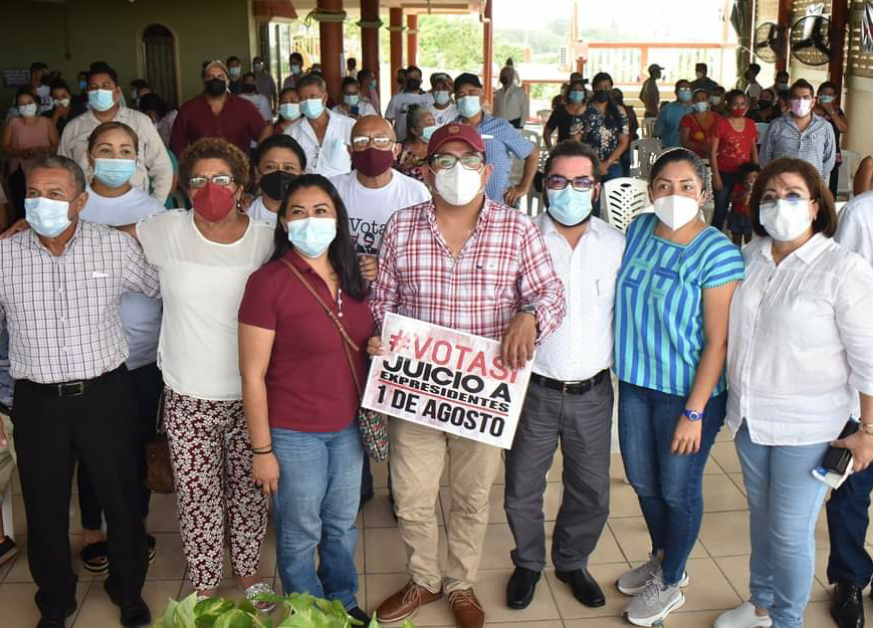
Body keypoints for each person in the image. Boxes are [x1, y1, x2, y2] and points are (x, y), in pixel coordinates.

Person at [370, 123, 565, 628]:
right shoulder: (402, 226)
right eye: (444, 161)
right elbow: (381, 302)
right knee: (411, 497)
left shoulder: (516, 228)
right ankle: (424, 580)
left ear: (489, 169)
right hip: (416, 389)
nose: (457, 172)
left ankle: (459, 583)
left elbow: (552, 295)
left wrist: (530, 315)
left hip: (483, 392)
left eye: (469, 161)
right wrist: (380, 338)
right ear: (426, 170)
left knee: (472, 497)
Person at [714, 157, 873, 628]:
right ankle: (760, 604)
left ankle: (787, 621)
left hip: (809, 428)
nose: (779, 204)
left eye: (792, 195)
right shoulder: (750, 258)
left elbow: (869, 358)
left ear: (816, 205)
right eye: (768, 196)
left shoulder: (843, 270)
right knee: (762, 522)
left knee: (788, 532)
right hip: (750, 420)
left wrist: (869, 429)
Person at [2, 155, 158, 628]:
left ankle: (127, 589)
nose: (42, 203)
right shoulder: (5, 255)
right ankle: (54, 599)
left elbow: (164, 288)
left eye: (55, 194)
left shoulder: (113, 248)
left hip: (105, 394)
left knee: (122, 496)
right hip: (36, 401)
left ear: (81, 200)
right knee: (45, 505)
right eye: (33, 194)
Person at [132, 137, 276, 605]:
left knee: (250, 492)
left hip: (250, 393)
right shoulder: (165, 230)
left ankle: (249, 572)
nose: (209, 188)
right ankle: (206, 579)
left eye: (220, 179)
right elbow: (103, 238)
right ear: (184, 187)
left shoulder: (266, 239)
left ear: (241, 186)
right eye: (197, 180)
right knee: (197, 497)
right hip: (187, 392)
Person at [614, 149, 744, 626]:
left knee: (677, 489)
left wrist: (693, 412)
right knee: (643, 482)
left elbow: (718, 342)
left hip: (688, 395)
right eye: (664, 185)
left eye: (687, 186)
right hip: (634, 383)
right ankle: (664, 555)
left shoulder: (717, 252)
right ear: (650, 192)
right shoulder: (638, 232)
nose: (674, 195)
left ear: (704, 194)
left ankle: (670, 581)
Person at [239, 173, 372, 625]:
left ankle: (342, 597)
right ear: (282, 222)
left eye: (321, 211)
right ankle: (308, 610)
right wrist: (263, 451)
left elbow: (366, 341)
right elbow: (252, 374)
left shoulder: (356, 277)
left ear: (338, 219)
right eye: (298, 212)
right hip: (294, 432)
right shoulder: (267, 282)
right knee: (299, 533)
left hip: (348, 427)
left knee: (340, 525)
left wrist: (378, 347)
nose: (310, 221)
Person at [504, 140, 625, 612]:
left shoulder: (616, 246)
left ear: (595, 189)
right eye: (558, 181)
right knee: (522, 487)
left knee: (592, 489)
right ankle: (528, 563)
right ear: (543, 186)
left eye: (580, 182)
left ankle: (572, 561)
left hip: (593, 393)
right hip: (532, 388)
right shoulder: (520, 239)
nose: (569, 191)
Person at [74, 122, 165, 576]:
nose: (115, 157)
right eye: (105, 149)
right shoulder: (70, 206)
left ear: (138, 158)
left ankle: (135, 524)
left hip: (141, 355)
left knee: (135, 447)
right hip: (83, 355)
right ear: (89, 156)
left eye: (125, 150)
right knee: (91, 448)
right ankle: (94, 530)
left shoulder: (154, 209)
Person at [59, 65, 173, 204]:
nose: (99, 91)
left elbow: (162, 167)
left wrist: (154, 205)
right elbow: (62, 172)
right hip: (89, 208)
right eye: (94, 87)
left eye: (105, 86)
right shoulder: (73, 127)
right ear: (87, 92)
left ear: (117, 92)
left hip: (135, 206)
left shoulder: (140, 121)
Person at [329, 115, 429, 256]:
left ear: (396, 150)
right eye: (361, 141)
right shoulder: (332, 189)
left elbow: (423, 246)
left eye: (381, 141)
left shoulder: (416, 193)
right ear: (350, 151)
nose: (371, 147)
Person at [453, 72, 538, 206]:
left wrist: (523, 186)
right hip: (460, 207)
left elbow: (532, 154)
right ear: (455, 100)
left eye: (472, 92)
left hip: (497, 206)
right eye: (461, 94)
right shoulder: (451, 131)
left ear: (482, 96)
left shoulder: (500, 126)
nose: (467, 98)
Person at [169, 60, 267, 158]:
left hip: (238, 170)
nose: (215, 80)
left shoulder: (245, 107)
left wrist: (259, 159)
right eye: (210, 76)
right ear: (204, 81)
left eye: (220, 76)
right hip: (201, 170)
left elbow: (264, 132)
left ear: (228, 81)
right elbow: (177, 145)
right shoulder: (189, 109)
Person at [760, 79, 836, 182]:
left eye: (805, 97)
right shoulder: (776, 126)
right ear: (790, 102)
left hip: (812, 185)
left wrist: (816, 179)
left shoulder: (825, 127)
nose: (801, 101)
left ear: (813, 102)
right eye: (796, 98)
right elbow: (765, 157)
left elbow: (829, 159)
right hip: (781, 184)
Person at [2, 88, 59, 218]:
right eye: (22, 104)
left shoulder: (47, 122)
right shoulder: (13, 123)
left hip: (46, 170)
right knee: (22, 206)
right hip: (19, 171)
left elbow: (56, 146)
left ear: (36, 104)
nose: (26, 106)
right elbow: (4, 147)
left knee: (44, 205)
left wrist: (41, 150)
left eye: (29, 102)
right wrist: (21, 153)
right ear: (17, 107)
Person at [287, 73, 355, 177]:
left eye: (313, 96)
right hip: (307, 189)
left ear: (324, 97)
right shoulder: (291, 133)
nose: (308, 102)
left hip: (341, 190)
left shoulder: (348, 126)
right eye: (303, 98)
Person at [711, 90, 759, 232]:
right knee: (721, 210)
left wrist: (755, 173)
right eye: (735, 104)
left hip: (745, 175)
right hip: (724, 173)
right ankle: (713, 240)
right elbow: (712, 152)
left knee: (745, 208)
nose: (739, 108)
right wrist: (716, 177)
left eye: (743, 104)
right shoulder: (721, 124)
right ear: (728, 105)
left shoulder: (750, 124)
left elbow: (753, 149)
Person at [579, 73, 629, 188]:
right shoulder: (583, 110)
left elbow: (624, 141)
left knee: (614, 202)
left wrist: (607, 163)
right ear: (594, 88)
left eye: (606, 87)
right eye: (599, 87)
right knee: (591, 202)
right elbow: (576, 141)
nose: (603, 90)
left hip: (613, 163)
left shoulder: (619, 111)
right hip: (588, 163)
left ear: (611, 88)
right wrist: (595, 162)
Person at [247, 134, 306, 225]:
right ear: (257, 173)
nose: (280, 174)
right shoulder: (245, 214)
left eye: (289, 168)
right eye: (270, 167)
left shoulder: (313, 217)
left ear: (302, 175)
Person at [814, 81, 848, 199]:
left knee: (830, 192)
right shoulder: (811, 111)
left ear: (835, 97)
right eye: (824, 94)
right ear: (818, 95)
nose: (827, 97)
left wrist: (830, 111)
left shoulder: (837, 112)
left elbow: (843, 128)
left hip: (832, 157)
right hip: (813, 156)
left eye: (830, 95)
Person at [385, 66, 434, 142]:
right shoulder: (396, 98)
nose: (413, 79)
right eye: (410, 77)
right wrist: (390, 138)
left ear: (421, 80)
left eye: (416, 77)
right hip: (401, 141)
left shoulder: (429, 98)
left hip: (425, 141)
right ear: (406, 79)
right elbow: (388, 120)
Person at [394, 106, 435, 183]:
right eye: (428, 123)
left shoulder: (439, 149)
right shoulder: (399, 150)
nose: (433, 126)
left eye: (433, 122)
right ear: (414, 130)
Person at [543, 78, 586, 151]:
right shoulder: (560, 110)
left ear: (584, 94)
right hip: (563, 151)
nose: (577, 92)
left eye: (580, 90)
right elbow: (547, 133)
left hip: (585, 153)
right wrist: (551, 150)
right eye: (574, 90)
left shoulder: (590, 111)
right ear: (569, 93)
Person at [680, 88, 721, 159]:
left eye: (703, 99)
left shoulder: (717, 118)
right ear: (693, 101)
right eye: (697, 99)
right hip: (694, 159)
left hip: (715, 158)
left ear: (708, 101)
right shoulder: (687, 119)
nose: (700, 102)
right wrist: (702, 147)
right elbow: (684, 142)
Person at [727, 162, 759, 247]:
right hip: (737, 215)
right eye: (749, 177)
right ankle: (736, 255)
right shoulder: (738, 186)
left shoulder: (758, 188)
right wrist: (740, 198)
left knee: (748, 240)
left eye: (755, 177)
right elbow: (731, 198)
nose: (752, 180)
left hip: (749, 216)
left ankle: (748, 256)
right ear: (743, 177)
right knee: (736, 238)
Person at [654, 80, 693, 148]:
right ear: (676, 92)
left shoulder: (695, 110)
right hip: (670, 150)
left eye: (687, 89)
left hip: (691, 151)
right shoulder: (667, 110)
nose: (685, 91)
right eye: (682, 89)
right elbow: (657, 133)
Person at [612, 88, 639, 177]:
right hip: (627, 147)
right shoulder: (629, 111)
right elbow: (635, 126)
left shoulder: (611, 112)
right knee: (625, 175)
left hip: (618, 149)